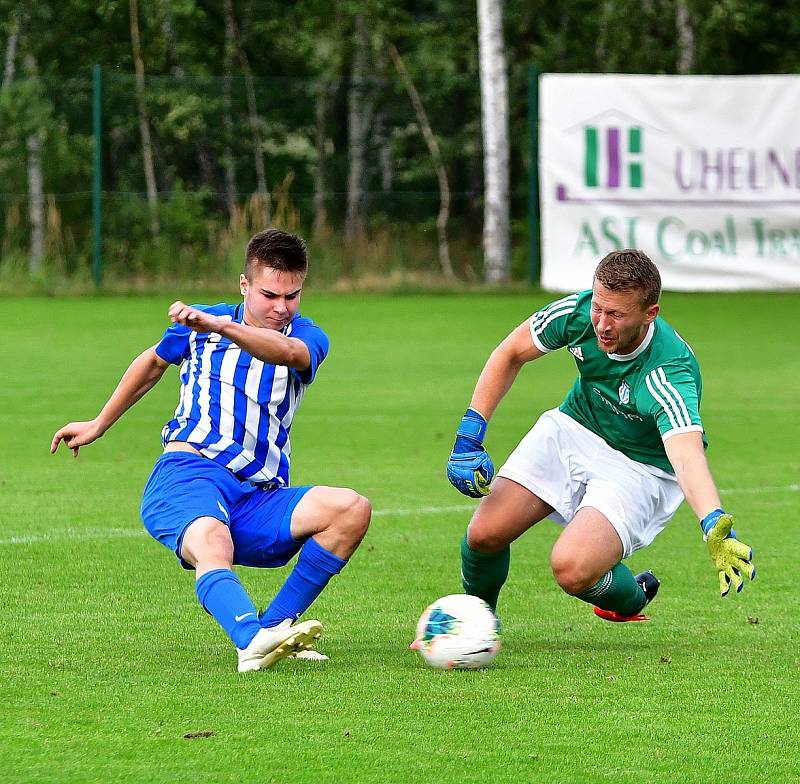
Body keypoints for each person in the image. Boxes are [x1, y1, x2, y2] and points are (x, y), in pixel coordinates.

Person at [51, 228, 371, 671]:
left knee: (351, 509)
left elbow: (283, 353)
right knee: (209, 537)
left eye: (292, 296)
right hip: (189, 474)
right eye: (269, 294)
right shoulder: (199, 328)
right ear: (244, 285)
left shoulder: (307, 336)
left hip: (257, 496)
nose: (281, 307)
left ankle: (274, 629)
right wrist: (99, 423)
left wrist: (224, 326)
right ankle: (250, 640)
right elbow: (152, 363)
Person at [446, 249, 754, 622]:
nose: (602, 324)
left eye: (617, 315)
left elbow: (687, 454)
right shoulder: (578, 314)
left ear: (649, 314)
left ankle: (631, 598)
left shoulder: (669, 371)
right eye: (599, 308)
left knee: (571, 568)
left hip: (640, 467)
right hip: (574, 427)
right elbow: (510, 353)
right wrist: (469, 435)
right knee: (483, 535)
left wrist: (712, 522)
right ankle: (478, 625)